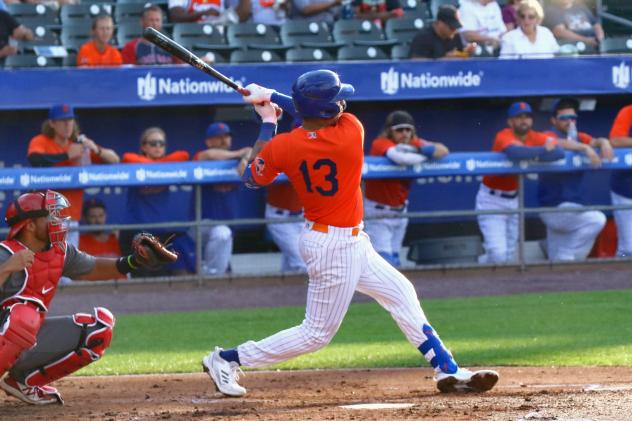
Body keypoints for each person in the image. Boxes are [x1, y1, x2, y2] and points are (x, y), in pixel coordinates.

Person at [201, 69, 500, 397]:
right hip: (334, 247)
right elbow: (310, 112)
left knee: (400, 293)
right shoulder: (351, 130)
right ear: (327, 110)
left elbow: (251, 178)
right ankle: (226, 359)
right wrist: (270, 96)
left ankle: (448, 370)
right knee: (316, 335)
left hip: (344, 239)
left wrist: (268, 119)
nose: (342, 102)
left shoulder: (283, 146)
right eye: (336, 99)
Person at [0, 190, 174, 405]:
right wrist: (7, 267)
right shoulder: (5, 253)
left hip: (23, 338)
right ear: (30, 225)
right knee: (24, 317)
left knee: (99, 328)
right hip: (11, 330)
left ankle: (22, 382)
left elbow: (94, 268)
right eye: (50, 216)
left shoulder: (59, 252)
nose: (58, 220)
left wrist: (134, 262)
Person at [476, 101, 564, 264]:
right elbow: (515, 152)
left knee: (508, 253)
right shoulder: (504, 135)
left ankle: (489, 277)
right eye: (519, 117)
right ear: (510, 122)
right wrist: (543, 151)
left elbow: (559, 152)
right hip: (491, 199)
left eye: (527, 117)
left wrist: (531, 153)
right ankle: (480, 269)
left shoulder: (535, 137)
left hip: (514, 199)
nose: (524, 121)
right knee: (499, 254)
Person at [27, 104, 120, 257]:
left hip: (72, 217)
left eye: (70, 120)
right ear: (52, 123)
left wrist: (96, 150)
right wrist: (67, 156)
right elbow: (35, 160)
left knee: (67, 266)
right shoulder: (41, 140)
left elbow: (114, 159)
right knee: (47, 264)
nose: (67, 125)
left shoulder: (78, 145)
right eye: (62, 121)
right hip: (47, 216)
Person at [364, 110, 449, 267]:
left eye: (408, 129)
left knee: (396, 261)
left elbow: (443, 150)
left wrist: (419, 150)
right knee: (385, 264)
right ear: (390, 131)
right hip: (377, 212)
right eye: (399, 130)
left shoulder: (413, 144)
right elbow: (401, 158)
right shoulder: (380, 143)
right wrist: (425, 155)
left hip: (400, 212)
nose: (404, 133)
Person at [538, 98, 610, 261]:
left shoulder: (578, 136)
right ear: (553, 120)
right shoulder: (547, 134)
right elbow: (555, 143)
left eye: (573, 118)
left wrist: (604, 143)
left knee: (558, 261)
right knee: (596, 219)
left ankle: (560, 270)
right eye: (564, 118)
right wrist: (584, 147)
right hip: (553, 207)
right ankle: (565, 254)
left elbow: (595, 141)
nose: (570, 122)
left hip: (572, 207)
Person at [121, 127, 196, 276]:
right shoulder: (134, 162)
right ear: (143, 147)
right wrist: (160, 167)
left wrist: (160, 165)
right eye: (153, 143)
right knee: (145, 257)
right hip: (137, 229)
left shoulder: (166, 164)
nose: (158, 147)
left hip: (162, 230)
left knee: (182, 245)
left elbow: (183, 155)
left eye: (161, 144)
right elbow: (127, 158)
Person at [193, 122, 251, 275]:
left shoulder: (238, 161)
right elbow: (208, 155)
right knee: (222, 234)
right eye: (219, 137)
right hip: (202, 225)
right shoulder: (202, 157)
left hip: (227, 226)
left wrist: (245, 158)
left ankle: (216, 276)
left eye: (227, 136)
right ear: (208, 141)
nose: (224, 140)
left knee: (223, 237)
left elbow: (248, 172)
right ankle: (213, 278)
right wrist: (241, 154)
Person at [265, 182, 306, 273]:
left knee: (290, 267)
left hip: (303, 215)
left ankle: (283, 284)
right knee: (303, 262)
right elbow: (244, 171)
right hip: (280, 217)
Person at [409, 5, 475, 59]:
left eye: (456, 28)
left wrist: (467, 53)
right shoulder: (423, 37)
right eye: (452, 27)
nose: (454, 30)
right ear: (440, 24)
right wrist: (444, 60)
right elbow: (416, 64)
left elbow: (461, 56)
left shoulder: (455, 35)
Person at [608, 104, 632, 257]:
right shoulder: (628, 111)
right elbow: (615, 140)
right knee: (628, 248)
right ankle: (619, 280)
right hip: (625, 188)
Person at [168, 0, 237, 24]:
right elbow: (176, 15)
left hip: (219, 35)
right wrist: (203, 13)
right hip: (191, 34)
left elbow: (238, 16)